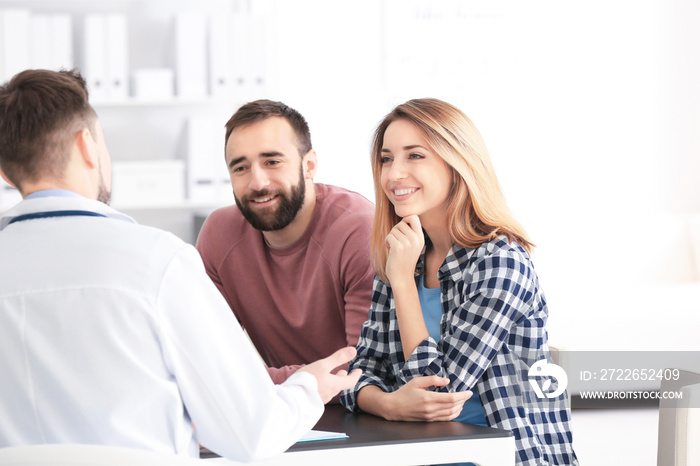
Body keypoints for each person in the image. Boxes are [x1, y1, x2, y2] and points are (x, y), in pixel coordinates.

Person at [0, 69, 361, 462]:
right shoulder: (157, 262)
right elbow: (250, 433)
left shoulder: (351, 226)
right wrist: (308, 386)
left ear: (4, 171)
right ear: (88, 145)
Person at [340, 98, 578, 465]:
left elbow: (440, 391)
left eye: (414, 155)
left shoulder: (501, 261)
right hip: (419, 455)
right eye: (387, 159)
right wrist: (388, 403)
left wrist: (403, 284)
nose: (393, 174)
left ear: (457, 163)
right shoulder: (404, 255)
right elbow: (359, 373)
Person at [196, 100, 375, 388]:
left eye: (272, 162)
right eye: (240, 168)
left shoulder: (357, 228)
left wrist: (254, 382)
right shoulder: (219, 234)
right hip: (283, 410)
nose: (257, 182)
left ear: (309, 165)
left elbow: (360, 371)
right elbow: (202, 360)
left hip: (363, 414)